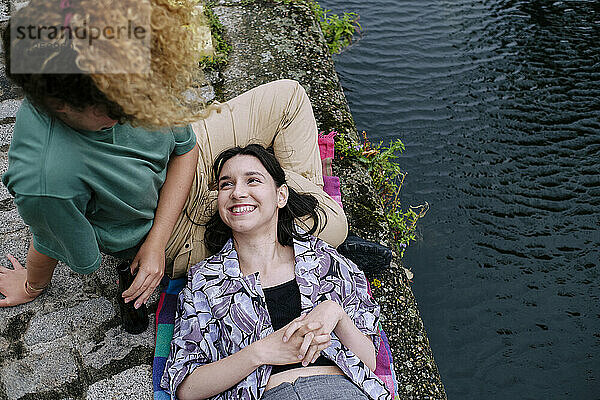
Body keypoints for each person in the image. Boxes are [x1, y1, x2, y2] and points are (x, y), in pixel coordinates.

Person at [0, 0, 347, 309]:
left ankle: (286, 201)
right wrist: (32, 285)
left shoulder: (119, 67)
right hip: (174, 232)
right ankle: (292, 207)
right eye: (114, 108)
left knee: (289, 97)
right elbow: (48, 237)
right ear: (61, 105)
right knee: (335, 226)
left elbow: (187, 150)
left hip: (188, 163)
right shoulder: (47, 178)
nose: (134, 110)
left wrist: (261, 189)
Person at [161, 144, 390, 400]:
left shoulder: (327, 261)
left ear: (281, 196)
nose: (238, 192)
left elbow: (369, 362)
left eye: (252, 181)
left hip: (338, 391)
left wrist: (336, 314)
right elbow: (186, 388)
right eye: (226, 184)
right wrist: (260, 353)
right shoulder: (205, 280)